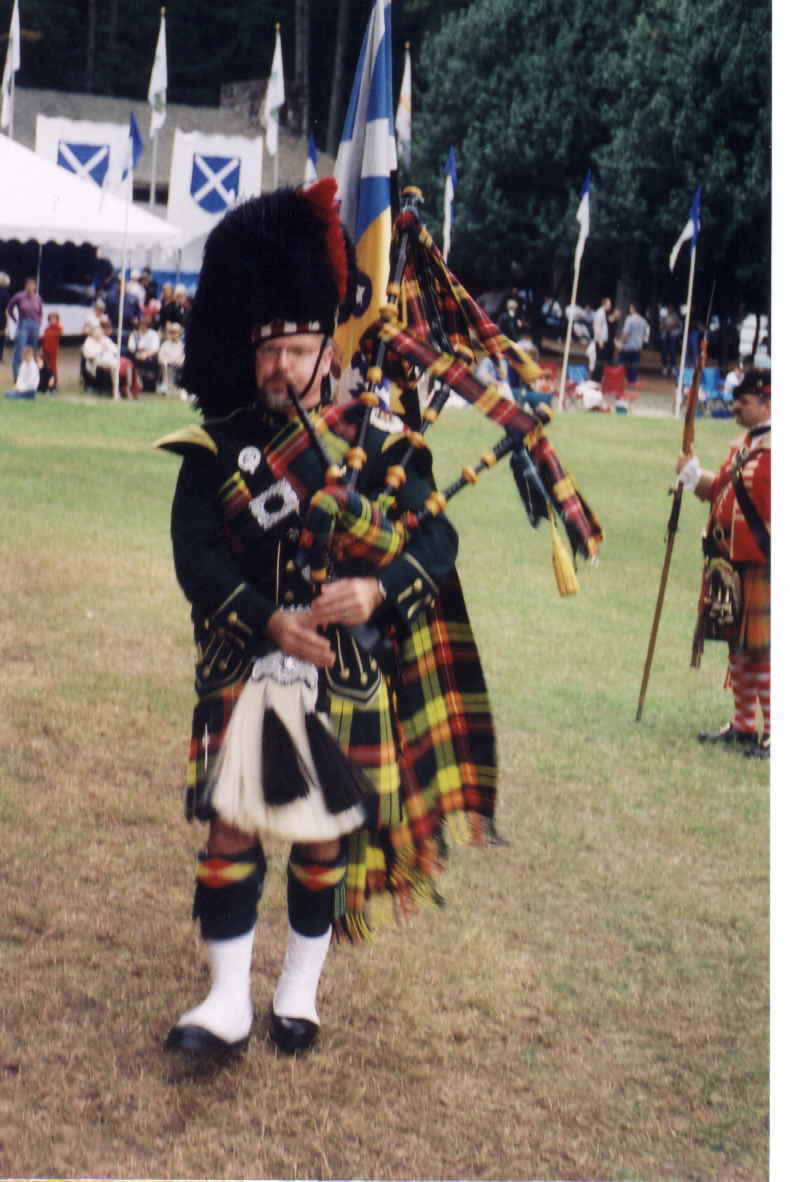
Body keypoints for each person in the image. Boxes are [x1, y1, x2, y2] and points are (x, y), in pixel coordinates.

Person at [155, 179, 496, 1059]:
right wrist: (269, 620)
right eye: (268, 350)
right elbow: (196, 557)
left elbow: (439, 541)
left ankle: (298, 991)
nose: (281, 368)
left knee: (322, 836)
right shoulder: (216, 445)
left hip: (343, 676)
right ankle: (225, 1001)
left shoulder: (376, 441)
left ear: (329, 347)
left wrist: (376, 592)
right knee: (232, 825)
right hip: (245, 662)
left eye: (299, 349)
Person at [676, 369, 771, 759]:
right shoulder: (744, 445)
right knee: (738, 647)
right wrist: (693, 475)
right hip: (730, 561)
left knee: (764, 651)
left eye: (743, 402)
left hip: (763, 562)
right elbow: (720, 490)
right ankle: (744, 726)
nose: (736, 408)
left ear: (767, 402)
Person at [6, 277, 44, 381]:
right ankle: (17, 377)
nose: (30, 287)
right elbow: (9, 308)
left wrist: (39, 322)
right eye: (28, 285)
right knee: (19, 351)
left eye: (32, 285)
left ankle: (32, 376)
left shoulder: (38, 298)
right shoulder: (19, 296)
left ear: (35, 287)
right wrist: (16, 320)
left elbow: (40, 312)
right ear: (25, 286)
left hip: (35, 326)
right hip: (23, 325)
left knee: (33, 350)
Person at [127, 314, 161, 392]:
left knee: (155, 362)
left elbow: (155, 349)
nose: (143, 326)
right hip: (136, 355)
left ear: (148, 325)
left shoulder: (153, 334)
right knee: (133, 361)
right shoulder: (134, 334)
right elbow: (131, 348)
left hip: (150, 355)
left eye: (145, 324)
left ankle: (152, 385)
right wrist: (137, 354)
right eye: (141, 324)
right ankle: (137, 384)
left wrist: (146, 354)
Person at [618, 302, 650, 384]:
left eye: (631, 307)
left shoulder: (629, 319)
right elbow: (646, 335)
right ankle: (632, 382)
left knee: (622, 363)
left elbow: (626, 333)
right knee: (634, 366)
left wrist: (620, 343)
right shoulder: (643, 321)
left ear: (633, 309)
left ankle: (620, 380)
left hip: (627, 346)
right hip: (637, 347)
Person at [156, 321, 185, 392]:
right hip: (167, 364)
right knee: (165, 364)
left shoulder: (182, 345)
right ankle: (165, 385)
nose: (174, 334)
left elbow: (184, 357)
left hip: (179, 364)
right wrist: (166, 361)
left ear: (179, 334)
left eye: (175, 333)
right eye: (172, 332)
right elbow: (160, 356)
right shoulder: (165, 344)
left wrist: (180, 361)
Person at [40, 312, 64, 390]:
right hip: (45, 351)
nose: (52, 321)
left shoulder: (58, 328)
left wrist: (56, 326)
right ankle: (45, 383)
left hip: (53, 352)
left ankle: (54, 384)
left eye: (54, 319)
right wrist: (42, 349)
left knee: (53, 368)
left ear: (57, 320)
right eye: (51, 319)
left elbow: (61, 332)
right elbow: (43, 339)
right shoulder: (47, 329)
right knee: (45, 367)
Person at [0, 271, 10, 365]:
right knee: (1, 337)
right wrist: (8, 320)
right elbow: (7, 308)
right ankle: (0, 357)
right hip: (2, 317)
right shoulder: (6, 293)